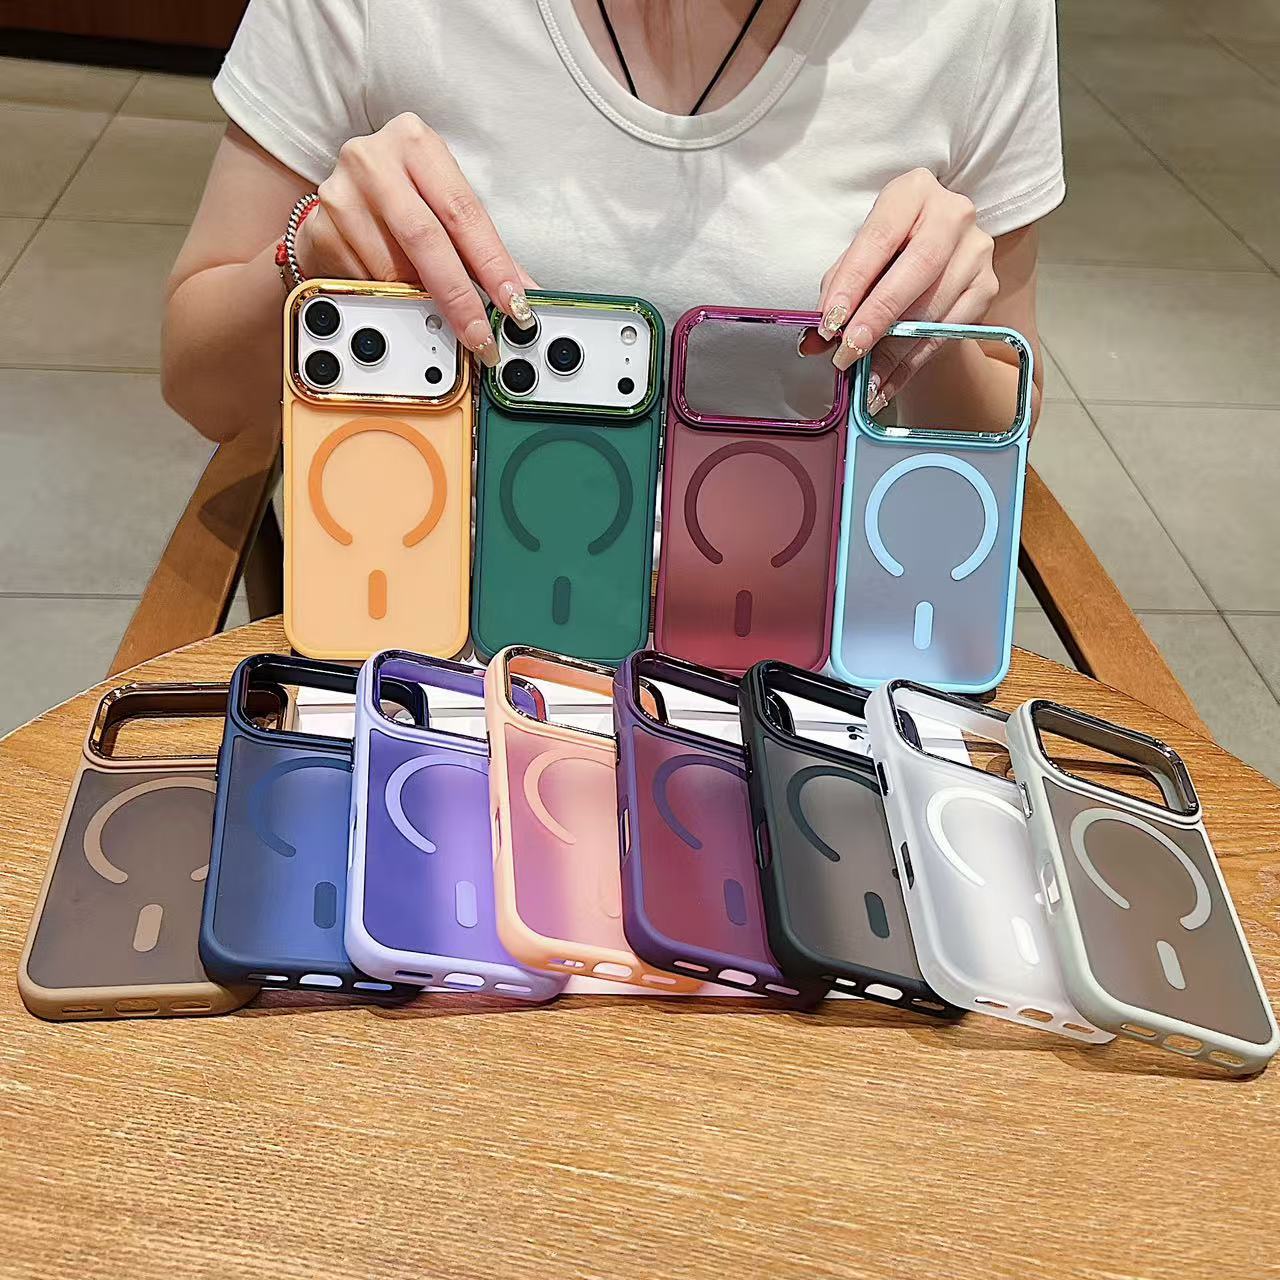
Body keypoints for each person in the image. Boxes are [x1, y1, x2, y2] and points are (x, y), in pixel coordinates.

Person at [163, 0, 1062, 442]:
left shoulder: (975, 18)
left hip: (804, 656)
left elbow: (1006, 432)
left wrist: (934, 339)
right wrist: (307, 259)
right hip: (420, 640)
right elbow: (201, 385)